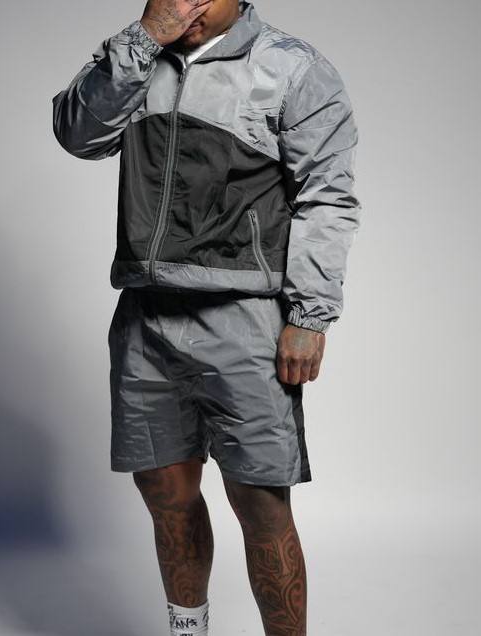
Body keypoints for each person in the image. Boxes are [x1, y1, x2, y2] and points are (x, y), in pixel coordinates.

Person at [52, 1, 362, 634]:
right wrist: (143, 39)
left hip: (244, 317)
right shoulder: (137, 57)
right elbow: (78, 136)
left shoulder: (293, 68)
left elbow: (327, 197)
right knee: (165, 495)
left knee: (260, 502)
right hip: (145, 314)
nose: (186, 3)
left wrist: (310, 315)